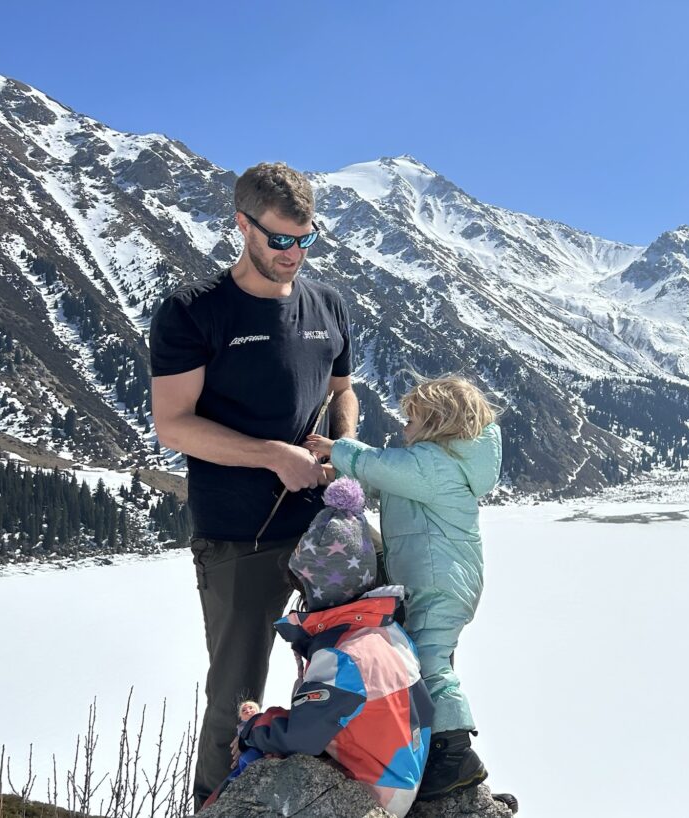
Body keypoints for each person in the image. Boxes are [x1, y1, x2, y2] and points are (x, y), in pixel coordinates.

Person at [149, 162, 359, 810]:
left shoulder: (329, 304)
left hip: (324, 526)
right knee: (235, 692)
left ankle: (340, 793)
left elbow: (343, 391)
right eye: (280, 240)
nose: (294, 254)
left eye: (306, 240)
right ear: (243, 226)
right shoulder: (194, 312)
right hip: (238, 537)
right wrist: (272, 455)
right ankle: (213, 803)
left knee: (354, 669)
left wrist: (341, 448)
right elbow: (173, 426)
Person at [306, 375, 502, 801]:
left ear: (436, 423)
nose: (403, 428)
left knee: (430, 662)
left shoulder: (432, 465)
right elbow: (385, 480)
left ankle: (456, 757)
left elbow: (380, 465)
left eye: (411, 420)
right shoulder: (434, 465)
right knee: (427, 658)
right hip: (445, 578)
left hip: (437, 579)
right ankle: (435, 748)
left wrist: (335, 449)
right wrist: (336, 475)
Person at [235, 477, 434, 818]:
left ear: (315, 588)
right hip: (404, 779)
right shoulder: (389, 632)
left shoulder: (341, 655)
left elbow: (303, 735)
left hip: (370, 792)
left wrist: (255, 730)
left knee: (253, 764)